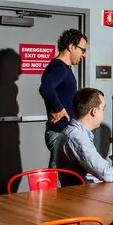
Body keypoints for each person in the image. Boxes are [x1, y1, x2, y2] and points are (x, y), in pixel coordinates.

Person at [39, 29, 87, 168]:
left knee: (66, 176)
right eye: (82, 50)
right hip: (59, 133)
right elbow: (46, 88)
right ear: (71, 47)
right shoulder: (58, 68)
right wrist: (59, 108)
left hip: (65, 132)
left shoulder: (65, 68)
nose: (83, 55)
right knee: (57, 177)